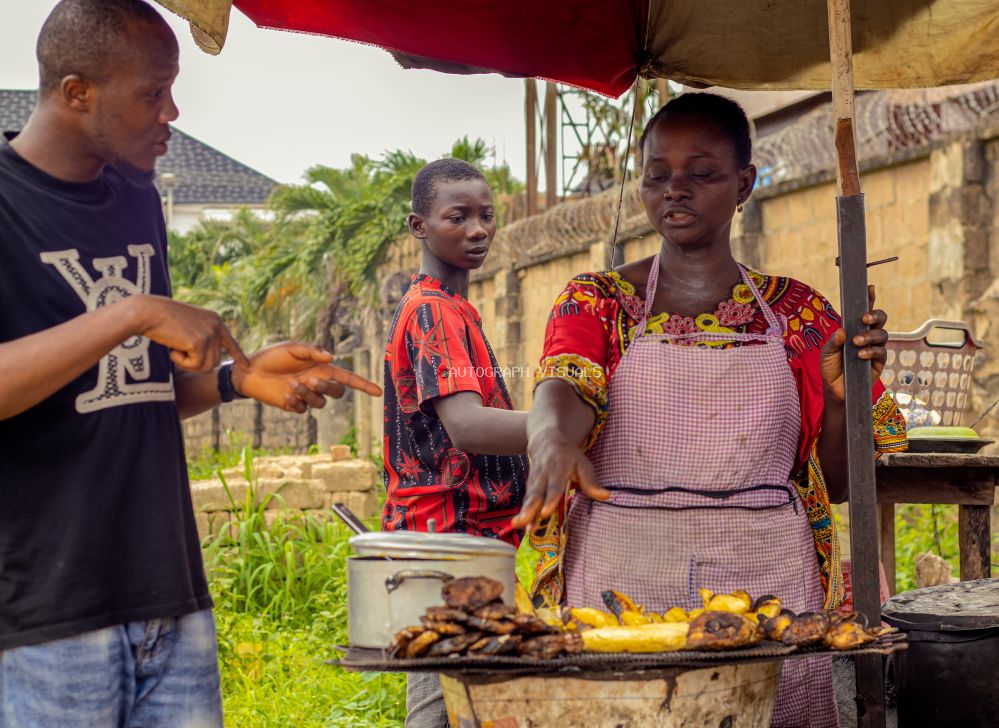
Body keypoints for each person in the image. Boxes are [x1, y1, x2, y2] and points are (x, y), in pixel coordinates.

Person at [0, 2, 380, 726]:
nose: (171, 112)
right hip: (46, 615)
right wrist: (133, 312)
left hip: (169, 594)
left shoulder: (137, 195)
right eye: (152, 93)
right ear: (77, 92)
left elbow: (124, 390)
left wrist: (236, 379)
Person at [512, 93, 907, 727]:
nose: (676, 190)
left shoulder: (800, 315)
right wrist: (553, 438)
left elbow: (835, 482)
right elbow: (565, 384)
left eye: (701, 173)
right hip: (623, 573)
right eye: (657, 174)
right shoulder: (598, 302)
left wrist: (842, 397)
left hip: (766, 583)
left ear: (744, 182)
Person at [382, 158, 529, 727]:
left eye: (487, 216)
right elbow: (466, 426)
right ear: (419, 226)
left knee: (451, 702)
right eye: (457, 217)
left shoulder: (450, 307)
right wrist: (562, 425)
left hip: (456, 541)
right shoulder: (433, 312)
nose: (477, 230)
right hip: (449, 544)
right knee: (458, 708)